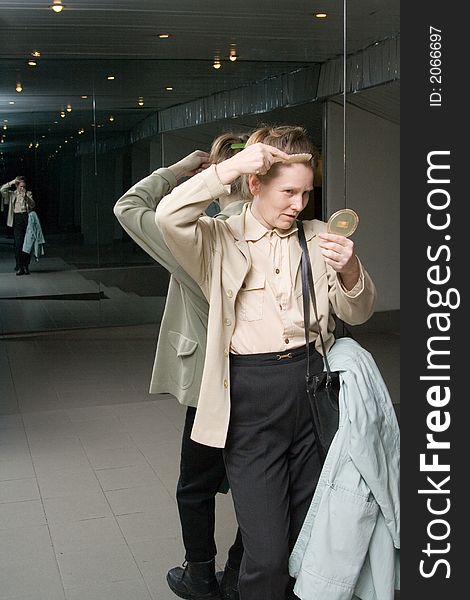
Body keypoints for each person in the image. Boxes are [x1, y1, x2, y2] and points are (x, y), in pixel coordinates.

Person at [155, 125, 377, 600]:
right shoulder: (218, 238)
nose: (299, 205)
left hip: (312, 391)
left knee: (303, 534)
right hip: (250, 399)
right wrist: (230, 167)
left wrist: (351, 270)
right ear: (256, 184)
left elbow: (358, 311)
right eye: (288, 192)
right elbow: (167, 215)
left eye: (306, 193)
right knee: (268, 551)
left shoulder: (318, 239)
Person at [114, 132, 251, 600]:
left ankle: (199, 577)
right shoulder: (281, 232)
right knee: (262, 482)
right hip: (269, 380)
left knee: (195, 485)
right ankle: (238, 572)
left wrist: (177, 171)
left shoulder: (197, 236)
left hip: (210, 387)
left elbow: (129, 206)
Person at [0, 176, 35, 275]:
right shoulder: (12, 194)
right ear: (17, 186)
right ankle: (19, 266)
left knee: (27, 243)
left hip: (26, 218)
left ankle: (26, 265)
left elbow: (33, 205)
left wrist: (26, 197)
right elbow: (2, 189)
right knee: (18, 244)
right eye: (21, 186)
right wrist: (12, 182)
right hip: (17, 218)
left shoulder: (28, 193)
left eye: (24, 186)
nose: (22, 188)